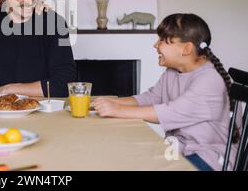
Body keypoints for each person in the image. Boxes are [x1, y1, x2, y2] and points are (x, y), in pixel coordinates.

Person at [92, 13, 241, 171]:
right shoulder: (173, 72)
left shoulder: (210, 79)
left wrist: (116, 110)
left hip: (210, 158)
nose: (155, 45)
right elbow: (151, 98)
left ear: (186, 48)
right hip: (179, 150)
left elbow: (172, 112)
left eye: (162, 40)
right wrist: (107, 101)